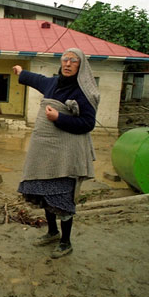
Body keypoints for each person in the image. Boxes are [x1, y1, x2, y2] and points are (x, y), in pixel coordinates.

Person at [12, 48, 99, 259]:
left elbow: (87, 124)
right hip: (44, 154)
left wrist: (59, 118)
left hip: (66, 155)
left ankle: (66, 242)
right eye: (65, 60)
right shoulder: (53, 83)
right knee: (44, 194)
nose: (68, 64)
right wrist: (21, 72)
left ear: (81, 66)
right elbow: (38, 80)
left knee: (62, 198)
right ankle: (52, 232)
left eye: (73, 61)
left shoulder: (84, 91)